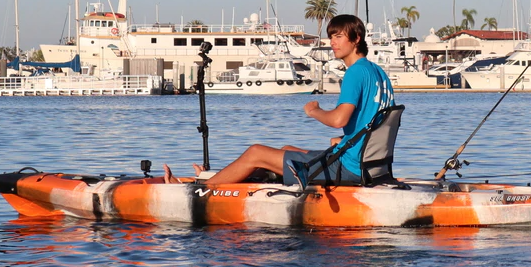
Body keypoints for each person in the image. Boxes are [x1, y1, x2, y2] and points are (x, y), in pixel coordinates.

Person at [165, 14, 394, 185]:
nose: (332, 42)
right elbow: (372, 124)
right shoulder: (379, 73)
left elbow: (338, 119)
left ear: (357, 39)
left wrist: (314, 110)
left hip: (351, 167)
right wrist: (344, 139)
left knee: (256, 152)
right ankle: (222, 181)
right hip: (373, 165)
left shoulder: (355, 72)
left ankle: (202, 189)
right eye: (331, 37)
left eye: (339, 37)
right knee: (285, 149)